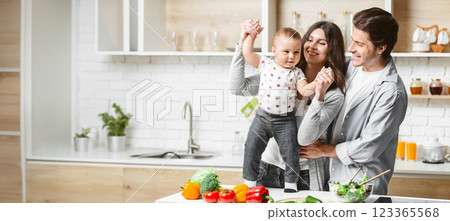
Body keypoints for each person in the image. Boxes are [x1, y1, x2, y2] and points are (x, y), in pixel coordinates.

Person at [300, 7, 407, 195]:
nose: (350, 49)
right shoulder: (349, 68)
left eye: (359, 44)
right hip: (328, 176)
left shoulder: (391, 92)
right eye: (352, 40)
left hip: (361, 183)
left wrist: (324, 150)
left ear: (381, 48)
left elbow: (369, 146)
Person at [230, 20, 346, 191]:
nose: (312, 46)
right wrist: (245, 39)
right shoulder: (275, 69)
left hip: (304, 175)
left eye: (321, 43)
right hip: (265, 169)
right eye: (310, 39)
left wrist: (319, 91)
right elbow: (237, 87)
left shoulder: (333, 95)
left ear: (332, 50)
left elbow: (304, 138)